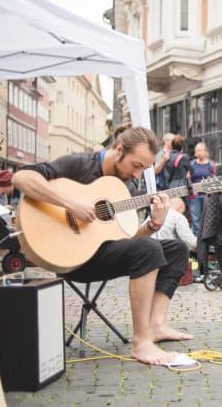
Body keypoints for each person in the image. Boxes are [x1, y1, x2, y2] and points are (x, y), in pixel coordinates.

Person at [12, 123, 192, 365]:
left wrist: (153, 226)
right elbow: (21, 177)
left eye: (145, 168)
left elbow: (125, 240)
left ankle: (156, 325)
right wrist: (70, 204)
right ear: (119, 149)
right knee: (149, 249)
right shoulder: (80, 164)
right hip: (71, 257)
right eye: (136, 165)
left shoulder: (126, 184)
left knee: (177, 249)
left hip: (101, 253)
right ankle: (141, 343)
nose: (138, 174)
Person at [189, 142, 214, 236]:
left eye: (201, 150)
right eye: (197, 150)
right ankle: (196, 240)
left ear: (205, 151)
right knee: (196, 219)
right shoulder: (192, 164)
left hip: (207, 195)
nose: (199, 152)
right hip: (195, 195)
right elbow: (188, 178)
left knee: (207, 218)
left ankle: (206, 238)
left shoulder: (211, 165)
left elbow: (213, 178)